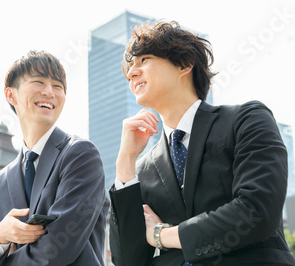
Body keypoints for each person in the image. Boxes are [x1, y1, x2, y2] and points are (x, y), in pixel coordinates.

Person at [109, 21, 295, 266]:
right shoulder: (141, 169)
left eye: (144, 60)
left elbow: (256, 213)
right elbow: (128, 260)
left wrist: (161, 235)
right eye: (129, 68)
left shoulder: (246, 120)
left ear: (184, 64)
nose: (132, 73)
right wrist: (125, 164)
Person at [0, 50, 110, 266]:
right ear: (11, 95)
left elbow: (56, 250)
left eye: (58, 86)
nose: (49, 92)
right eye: (39, 82)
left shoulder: (81, 155)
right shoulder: (0, 181)